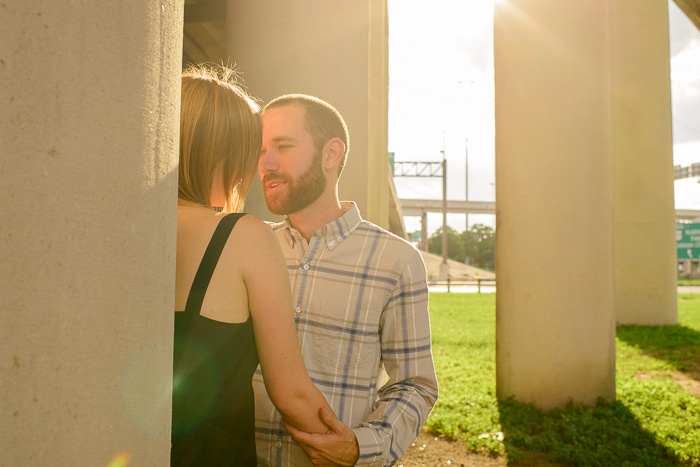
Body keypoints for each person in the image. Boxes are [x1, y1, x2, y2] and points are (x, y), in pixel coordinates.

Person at [254, 94, 439, 466]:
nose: (266, 164)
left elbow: (414, 384)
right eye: (260, 151)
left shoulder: (397, 262)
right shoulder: (249, 246)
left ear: (331, 153)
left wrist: (361, 447)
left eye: (283, 146)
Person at [172, 66, 332, 466]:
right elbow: (291, 392)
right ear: (222, 152)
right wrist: (351, 446)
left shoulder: (119, 229)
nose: (256, 166)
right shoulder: (243, 235)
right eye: (252, 150)